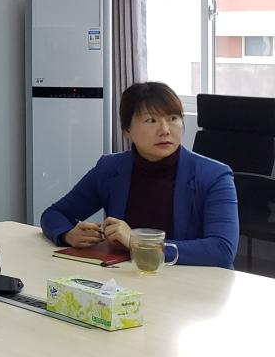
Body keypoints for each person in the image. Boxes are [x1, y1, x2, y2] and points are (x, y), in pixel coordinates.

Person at [40, 81, 239, 268]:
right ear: (127, 130)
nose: (165, 130)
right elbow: (54, 214)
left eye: (173, 118)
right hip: (127, 279)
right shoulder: (110, 168)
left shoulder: (214, 175)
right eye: (151, 120)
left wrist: (139, 243)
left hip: (192, 282)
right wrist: (68, 234)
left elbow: (222, 250)